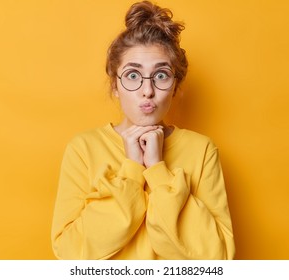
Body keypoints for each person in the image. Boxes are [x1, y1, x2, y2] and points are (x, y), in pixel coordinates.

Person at [51, 0, 235, 260]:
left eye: (160, 75)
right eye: (133, 76)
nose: (147, 91)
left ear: (175, 86)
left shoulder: (202, 150)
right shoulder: (83, 149)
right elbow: (69, 253)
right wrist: (132, 169)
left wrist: (157, 169)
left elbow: (218, 257)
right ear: (115, 84)